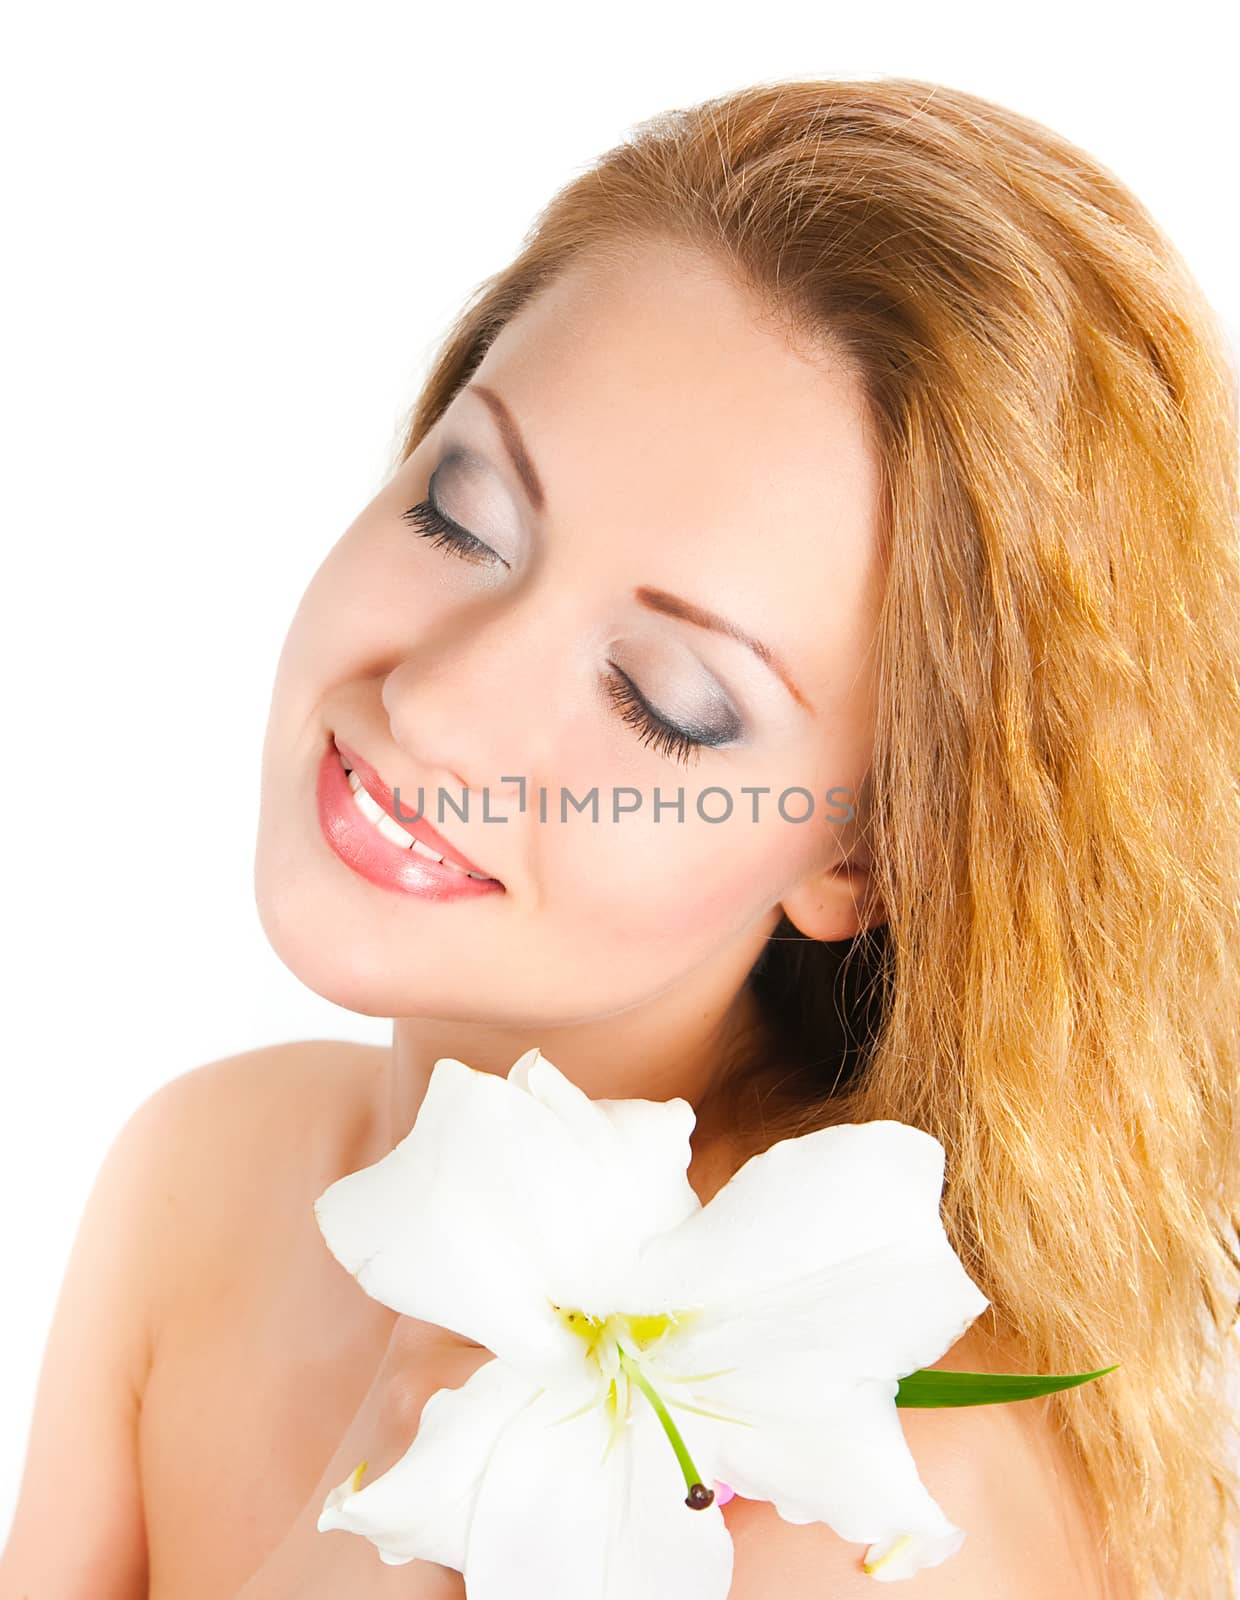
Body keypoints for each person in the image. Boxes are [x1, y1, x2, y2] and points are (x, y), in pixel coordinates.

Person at [2, 75, 1236, 1600]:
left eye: (665, 700)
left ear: (864, 857)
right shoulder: (204, 1175)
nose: (439, 705)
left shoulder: (865, 1519)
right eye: (462, 512)